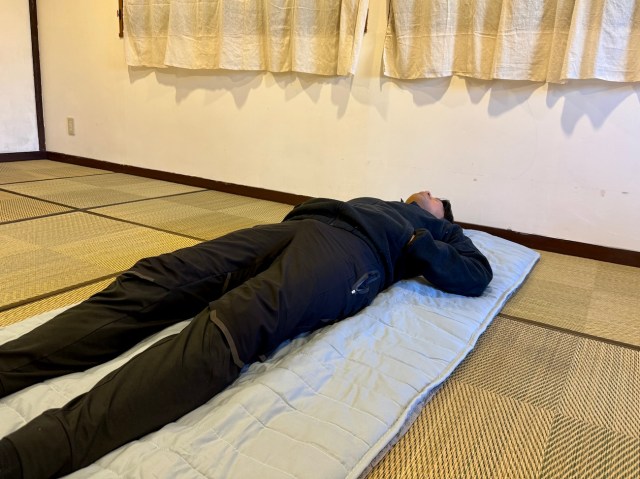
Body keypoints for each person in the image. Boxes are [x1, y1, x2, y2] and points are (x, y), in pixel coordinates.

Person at [0, 191, 492, 479]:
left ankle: (27, 456)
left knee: (232, 322)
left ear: (442, 212)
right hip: (302, 228)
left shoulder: (441, 232)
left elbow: (477, 275)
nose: (423, 191)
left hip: (354, 257)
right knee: (158, 279)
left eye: (433, 195)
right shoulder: (378, 199)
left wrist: (420, 238)